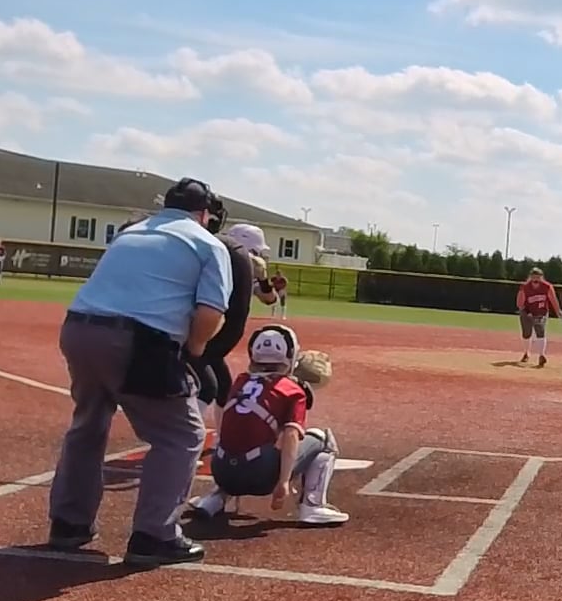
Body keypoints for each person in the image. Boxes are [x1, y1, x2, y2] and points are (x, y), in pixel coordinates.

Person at [43, 177, 232, 568]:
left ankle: (69, 523)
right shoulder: (208, 244)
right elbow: (211, 312)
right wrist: (194, 350)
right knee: (182, 434)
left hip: (78, 328)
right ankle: (154, 535)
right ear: (204, 214)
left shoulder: (130, 233)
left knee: (88, 423)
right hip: (138, 339)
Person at [183, 325, 347, 527]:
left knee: (242, 437)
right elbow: (291, 436)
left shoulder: (240, 381)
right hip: (259, 477)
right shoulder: (292, 390)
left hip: (222, 472)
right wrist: (283, 482)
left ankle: (214, 499)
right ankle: (312, 506)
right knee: (324, 440)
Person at [193, 219, 277, 449]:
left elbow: (269, 299)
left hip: (218, 337)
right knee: (207, 386)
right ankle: (184, 437)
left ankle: (223, 438)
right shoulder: (217, 265)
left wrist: (263, 279)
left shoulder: (245, 270)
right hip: (205, 334)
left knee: (223, 387)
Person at [516, 266, 562, 367]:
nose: (535, 279)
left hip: (541, 312)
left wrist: (558, 311)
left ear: (542, 277)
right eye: (533, 277)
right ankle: (526, 353)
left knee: (540, 331)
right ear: (530, 277)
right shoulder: (525, 287)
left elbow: (553, 299)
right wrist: (526, 312)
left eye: (538, 277)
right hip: (527, 312)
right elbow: (519, 303)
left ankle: (541, 356)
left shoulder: (547, 287)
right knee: (526, 333)